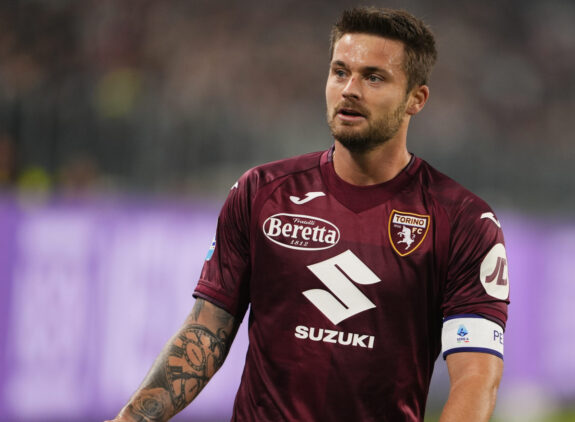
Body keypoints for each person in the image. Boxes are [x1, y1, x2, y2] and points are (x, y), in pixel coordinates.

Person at [108, 7, 509, 422]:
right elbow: (206, 331)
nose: (350, 89)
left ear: (416, 99)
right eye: (340, 72)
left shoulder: (462, 221)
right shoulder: (260, 193)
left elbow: (476, 376)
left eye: (374, 77)